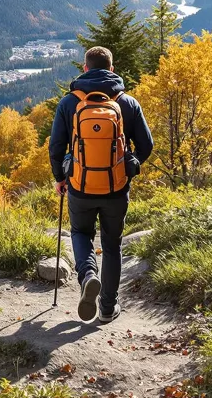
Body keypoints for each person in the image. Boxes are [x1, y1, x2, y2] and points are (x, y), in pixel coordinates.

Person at [49, 46, 153, 324]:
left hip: (80, 186)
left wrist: (60, 178)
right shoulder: (127, 102)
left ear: (85, 68)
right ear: (112, 68)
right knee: (112, 244)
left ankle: (88, 276)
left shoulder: (69, 103)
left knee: (80, 233)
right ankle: (108, 307)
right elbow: (146, 144)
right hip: (116, 187)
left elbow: (56, 146)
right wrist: (131, 164)